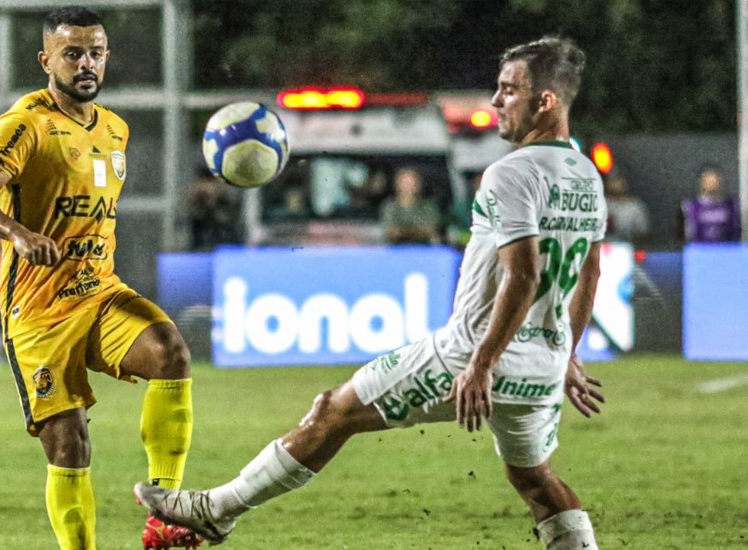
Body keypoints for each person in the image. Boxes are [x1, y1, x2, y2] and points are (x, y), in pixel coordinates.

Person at [135, 37, 606, 550]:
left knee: (332, 412)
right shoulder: (585, 175)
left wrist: (482, 362)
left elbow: (523, 275)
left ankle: (216, 511)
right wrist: (567, 353)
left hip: (472, 353)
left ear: (546, 102)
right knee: (535, 480)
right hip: (542, 366)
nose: (496, 100)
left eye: (510, 90)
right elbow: (589, 271)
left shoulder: (511, 173)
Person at [0, 7, 199, 549]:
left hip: (99, 294)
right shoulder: (26, 123)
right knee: (70, 446)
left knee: (170, 352)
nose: (86, 63)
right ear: (47, 60)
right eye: (73, 53)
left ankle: (166, 514)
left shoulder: (115, 129)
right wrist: (17, 233)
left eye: (95, 53)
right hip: (38, 314)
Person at [680, 165, 741, 243]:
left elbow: (736, 232)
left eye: (714, 181)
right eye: (708, 181)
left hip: (725, 248)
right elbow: (685, 235)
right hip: (699, 248)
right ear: (702, 183)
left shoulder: (730, 206)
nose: (712, 184)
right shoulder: (692, 207)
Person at [380, 167, 442, 244]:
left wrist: (402, 231)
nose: (409, 187)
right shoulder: (390, 207)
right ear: (397, 185)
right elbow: (391, 233)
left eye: (412, 183)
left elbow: (431, 230)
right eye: (405, 183)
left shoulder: (428, 206)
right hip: (396, 248)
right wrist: (418, 231)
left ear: (418, 185)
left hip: (424, 248)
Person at [603, 172, 650, 243]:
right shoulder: (598, 204)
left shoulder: (635, 207)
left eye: (617, 180)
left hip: (627, 245)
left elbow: (642, 233)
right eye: (611, 180)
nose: (614, 184)